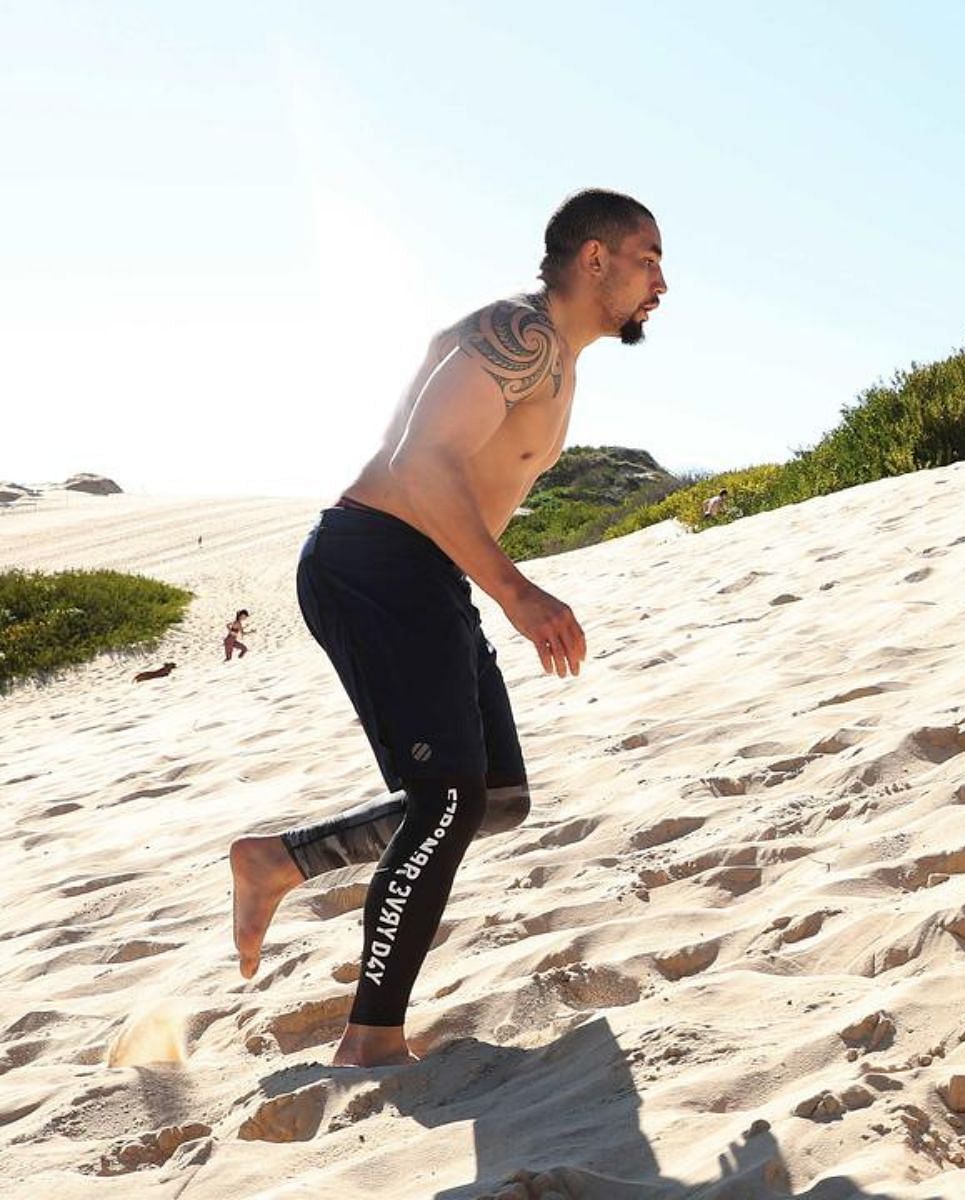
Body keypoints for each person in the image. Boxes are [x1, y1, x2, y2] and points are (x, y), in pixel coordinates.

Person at [227, 189, 667, 1068]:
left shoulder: (552, 354)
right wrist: (516, 593)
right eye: (647, 257)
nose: (662, 279)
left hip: (422, 571)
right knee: (448, 800)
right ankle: (370, 1039)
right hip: (377, 560)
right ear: (594, 259)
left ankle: (280, 861)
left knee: (495, 797)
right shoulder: (519, 335)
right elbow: (416, 461)